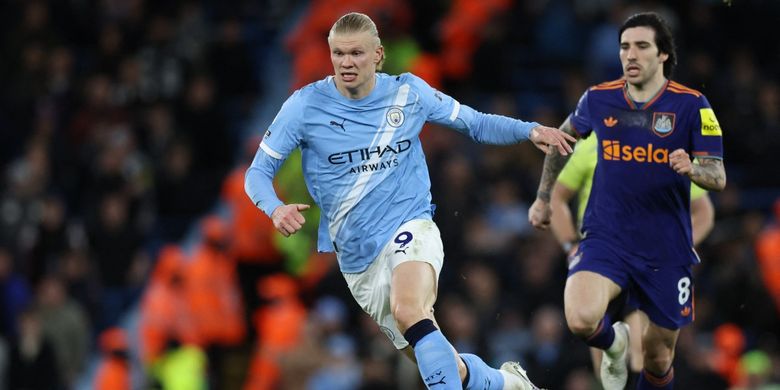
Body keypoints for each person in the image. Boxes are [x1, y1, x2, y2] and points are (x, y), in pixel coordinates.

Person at [245, 11, 575, 390]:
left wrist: (528, 130)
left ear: (379, 55)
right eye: (338, 54)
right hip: (357, 261)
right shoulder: (304, 107)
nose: (346, 63)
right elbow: (257, 172)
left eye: (356, 54)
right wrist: (274, 208)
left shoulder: (408, 93)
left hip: (409, 227)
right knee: (437, 359)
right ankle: (508, 384)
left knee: (409, 310)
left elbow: (474, 122)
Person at [529, 11, 726, 390]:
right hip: (607, 238)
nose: (630, 55)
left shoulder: (693, 105)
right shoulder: (599, 99)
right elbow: (561, 141)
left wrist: (693, 169)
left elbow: (717, 176)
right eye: (624, 47)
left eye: (641, 46)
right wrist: (543, 198)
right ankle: (612, 343)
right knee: (581, 319)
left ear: (663, 54)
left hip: (666, 249)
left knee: (657, 357)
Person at [548, 132, 715, 384]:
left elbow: (703, 212)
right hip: (601, 256)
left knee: (643, 351)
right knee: (601, 358)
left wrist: (677, 247)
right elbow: (556, 197)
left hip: (649, 260)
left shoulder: (665, 150)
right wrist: (570, 245)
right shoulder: (590, 146)